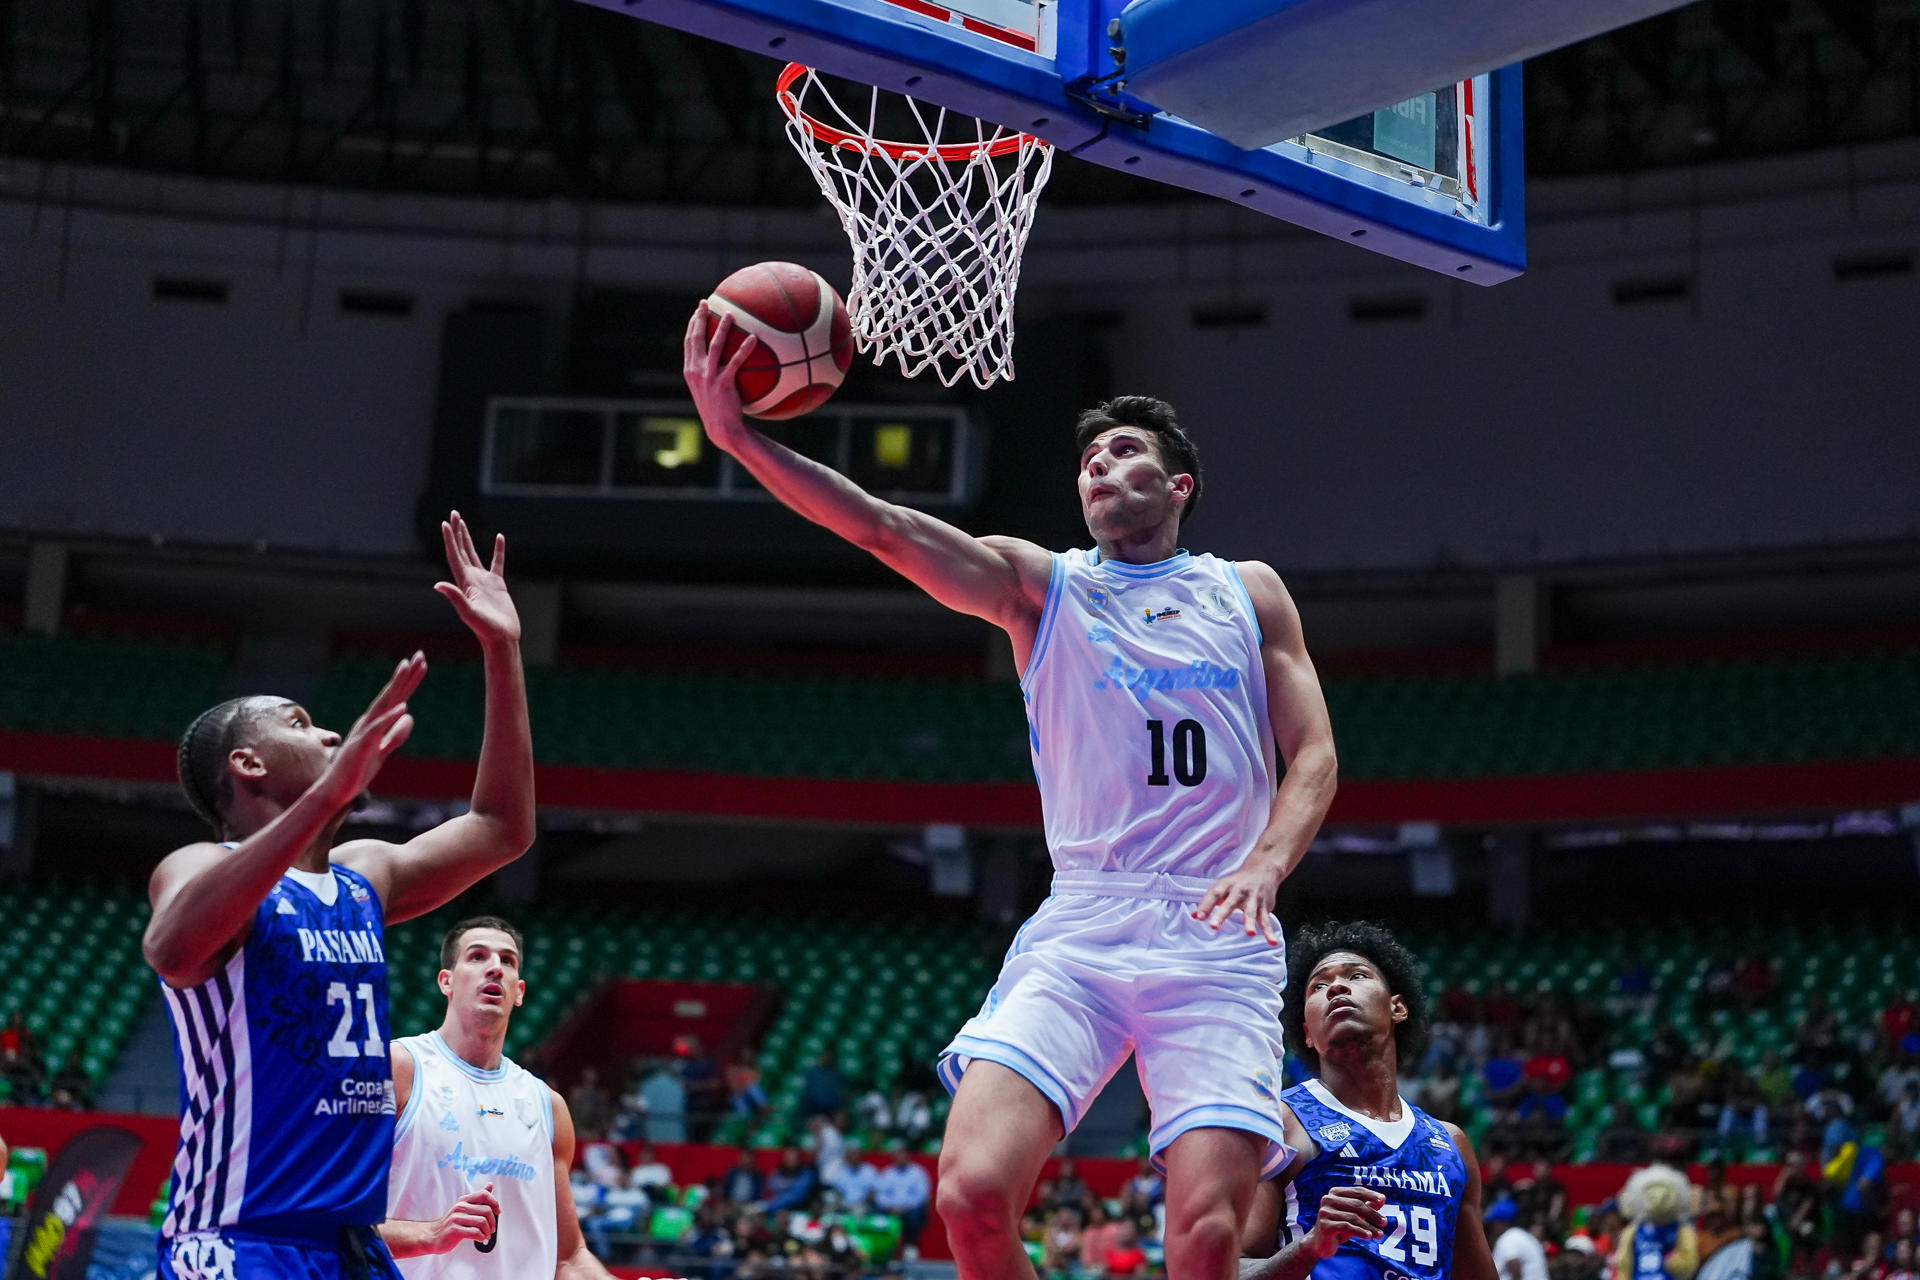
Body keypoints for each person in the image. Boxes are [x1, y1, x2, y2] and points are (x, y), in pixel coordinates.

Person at [684, 320, 1338, 1280]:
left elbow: (1315, 754)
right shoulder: (1044, 588)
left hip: (1216, 928)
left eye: (1124, 452)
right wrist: (740, 438)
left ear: (1179, 485)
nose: (1099, 469)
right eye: (1088, 460)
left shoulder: (1249, 592)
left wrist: (1265, 866)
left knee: (1203, 1240)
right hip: (1086, 915)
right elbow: (880, 523)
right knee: (970, 1194)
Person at [146, 512, 535, 1280]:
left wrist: (502, 649)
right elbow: (172, 949)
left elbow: (501, 827)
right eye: (301, 723)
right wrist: (320, 803)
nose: (327, 734)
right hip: (237, 1239)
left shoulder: (363, 876)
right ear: (249, 764)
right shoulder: (195, 864)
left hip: (348, 1246)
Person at [1240, 922, 1499, 1280]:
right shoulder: (1278, 1120)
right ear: (1308, 1034)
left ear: (1398, 1008)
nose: (1337, 987)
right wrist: (1309, 1248)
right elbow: (1228, 1269)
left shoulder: (1450, 1144)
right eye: (1319, 985)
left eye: (1357, 975)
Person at [378, 917, 616, 1279]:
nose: (494, 968)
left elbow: (567, 1258)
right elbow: (324, 1221)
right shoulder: (398, 1070)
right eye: (477, 957)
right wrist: (429, 1234)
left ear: (519, 991)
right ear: (447, 981)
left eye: (507, 961)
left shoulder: (546, 1106)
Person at [1486, 1205, 1549, 1280]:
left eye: (1493, 1223)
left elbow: (1515, 1265)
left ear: (1500, 1223)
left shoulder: (1508, 1238)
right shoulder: (1521, 1235)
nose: (1492, 1228)